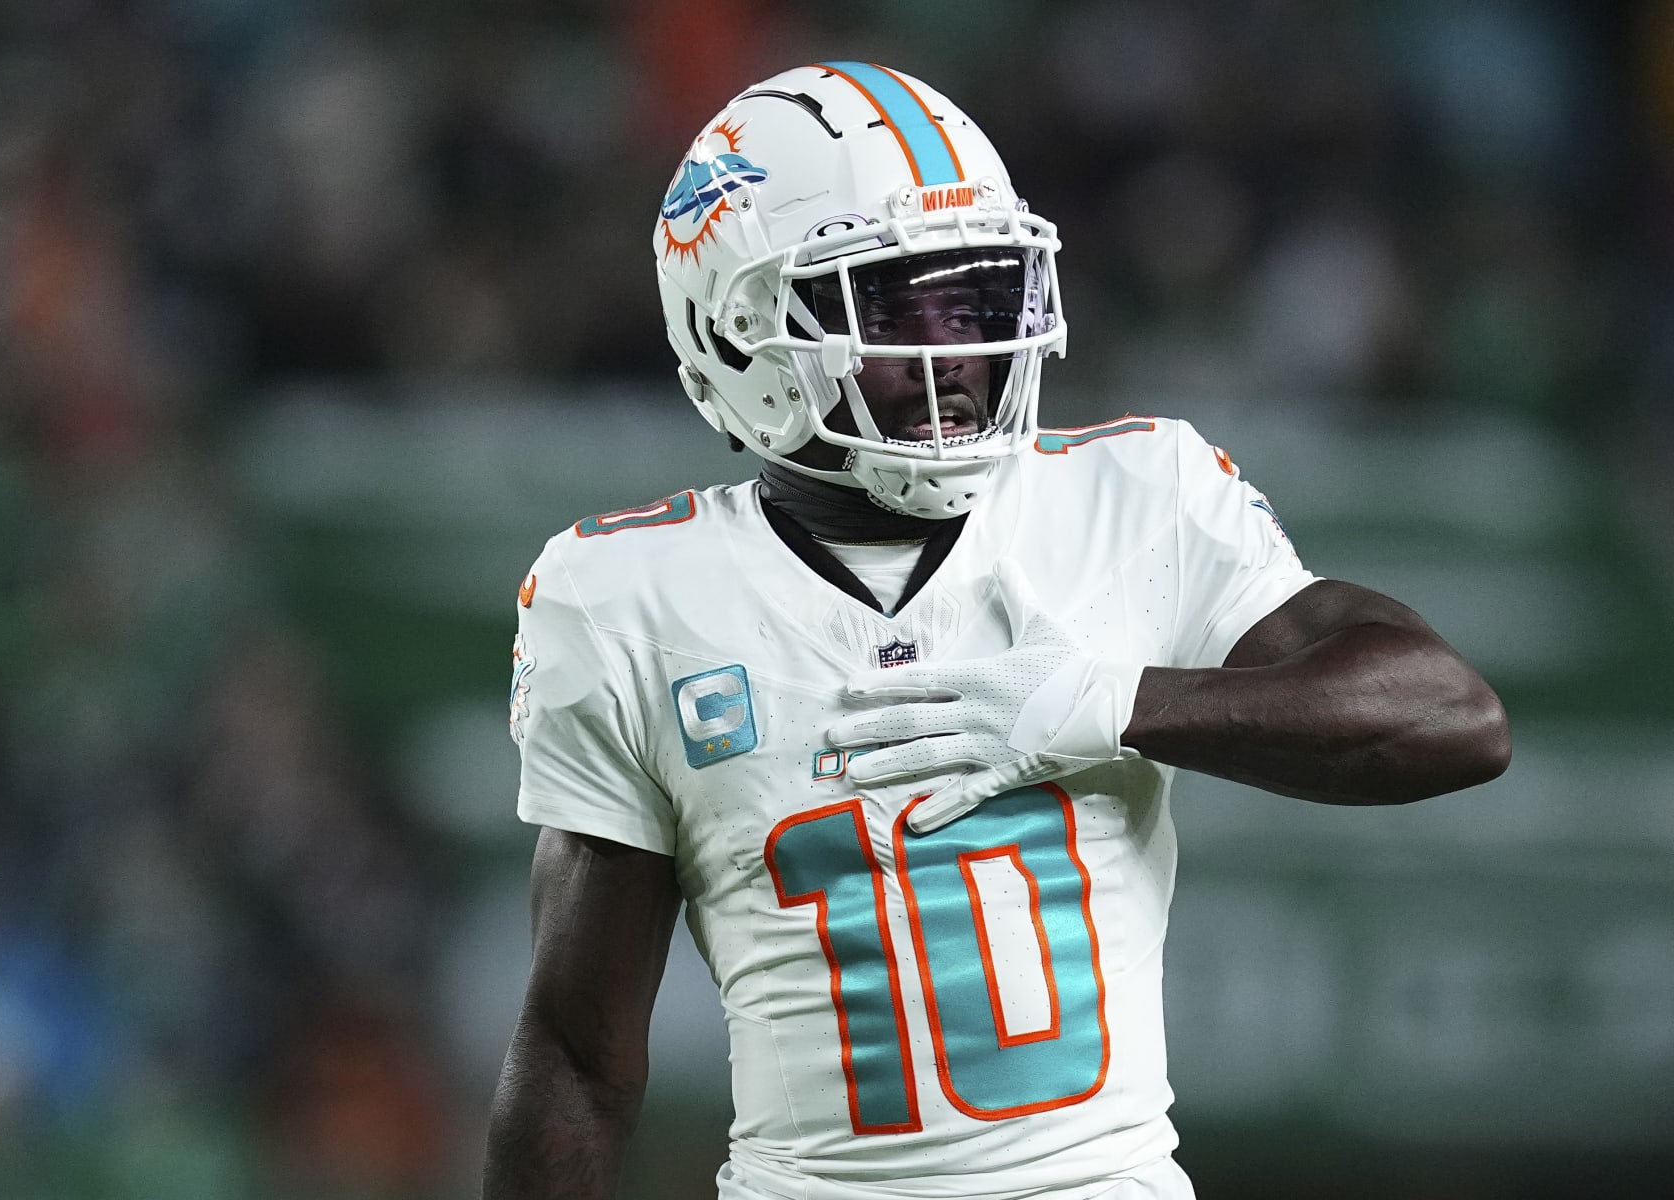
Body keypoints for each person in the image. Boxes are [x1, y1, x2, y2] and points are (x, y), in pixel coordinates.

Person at [483, 62, 1510, 1200]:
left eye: (972, 303)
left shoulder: (1138, 498)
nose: (954, 354)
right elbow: (579, 1061)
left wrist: (1113, 704)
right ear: (742, 333)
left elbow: (1451, 717)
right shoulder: (630, 599)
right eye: (891, 307)